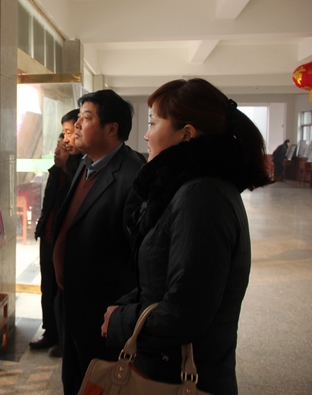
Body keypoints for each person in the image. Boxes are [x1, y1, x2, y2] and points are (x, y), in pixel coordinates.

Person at [101, 78, 272, 395]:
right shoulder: (185, 189)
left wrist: (121, 321)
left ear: (187, 134)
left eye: (153, 123)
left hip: (183, 376)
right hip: (165, 366)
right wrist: (123, 307)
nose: (146, 135)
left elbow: (186, 313)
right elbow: (162, 280)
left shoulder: (201, 197)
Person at [52, 90, 145, 395]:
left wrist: (120, 311)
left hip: (101, 311)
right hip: (70, 300)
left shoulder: (133, 175)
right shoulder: (86, 163)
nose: (77, 124)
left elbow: (139, 254)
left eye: (86, 117)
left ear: (111, 128)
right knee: (74, 378)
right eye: (78, 117)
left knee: (99, 382)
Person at [31, 134, 68, 357]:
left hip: (63, 242)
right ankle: (50, 332)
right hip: (47, 238)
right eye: (57, 146)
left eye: (62, 148)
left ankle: (63, 338)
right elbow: (47, 207)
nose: (56, 152)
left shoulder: (76, 176)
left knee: (62, 291)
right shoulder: (55, 174)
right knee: (47, 288)